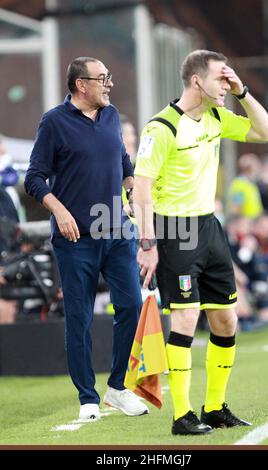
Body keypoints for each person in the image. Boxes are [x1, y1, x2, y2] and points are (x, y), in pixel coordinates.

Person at [133, 49, 268, 435]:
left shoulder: (217, 117)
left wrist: (243, 91)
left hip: (209, 229)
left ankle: (214, 408)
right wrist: (148, 243)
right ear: (197, 81)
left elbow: (266, 132)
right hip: (174, 230)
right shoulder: (160, 128)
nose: (226, 86)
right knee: (184, 317)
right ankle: (183, 414)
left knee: (226, 319)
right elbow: (141, 193)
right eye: (221, 79)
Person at [24, 57, 148, 420]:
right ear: (81, 84)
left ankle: (117, 388)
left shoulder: (111, 116)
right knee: (78, 318)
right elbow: (35, 178)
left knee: (131, 306)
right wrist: (58, 211)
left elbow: (125, 165)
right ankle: (87, 398)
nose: (109, 84)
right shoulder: (53, 122)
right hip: (75, 239)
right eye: (102, 78)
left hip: (117, 234)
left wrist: (129, 192)